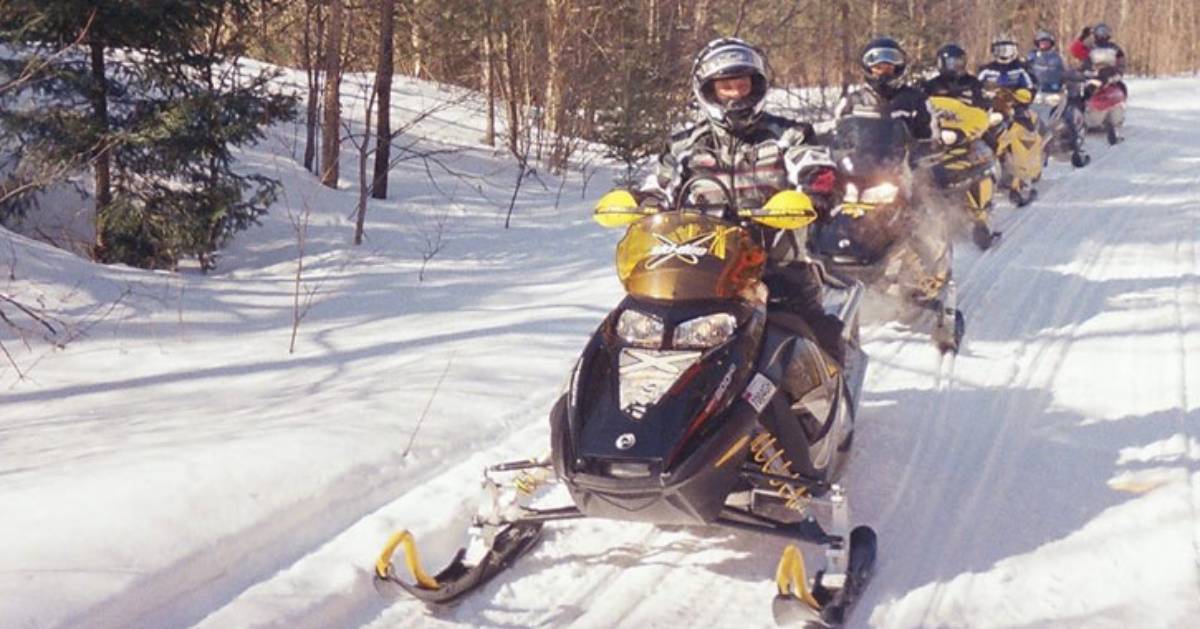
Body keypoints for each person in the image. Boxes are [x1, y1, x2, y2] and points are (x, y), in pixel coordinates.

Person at [638, 37, 845, 364]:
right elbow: (658, 185)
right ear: (708, 91)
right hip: (701, 265)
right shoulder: (685, 146)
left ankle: (833, 401)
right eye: (726, 87)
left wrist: (816, 192)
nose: (736, 95)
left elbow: (817, 166)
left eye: (742, 85)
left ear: (756, 86)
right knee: (648, 328)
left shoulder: (788, 134)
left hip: (776, 260)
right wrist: (646, 205)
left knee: (814, 334)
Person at [835, 36, 935, 142]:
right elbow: (838, 137)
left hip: (906, 157)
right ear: (868, 69)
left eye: (888, 68)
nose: (883, 73)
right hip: (864, 157)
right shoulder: (852, 101)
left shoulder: (916, 100)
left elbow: (930, 139)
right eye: (878, 68)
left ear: (897, 69)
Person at [978, 34, 1039, 131]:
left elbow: (1031, 87)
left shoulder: (1021, 68)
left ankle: (1032, 141)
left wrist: (1023, 95)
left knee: (1025, 122)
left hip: (1015, 105)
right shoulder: (986, 69)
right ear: (993, 50)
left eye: (1008, 49)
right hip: (990, 104)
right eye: (1000, 49)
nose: (1004, 53)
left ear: (1015, 50)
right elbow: (975, 85)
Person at [922, 43, 989, 109]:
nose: (959, 65)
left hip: (969, 117)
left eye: (961, 61)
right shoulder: (932, 85)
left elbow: (983, 103)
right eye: (953, 63)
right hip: (941, 117)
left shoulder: (973, 83)